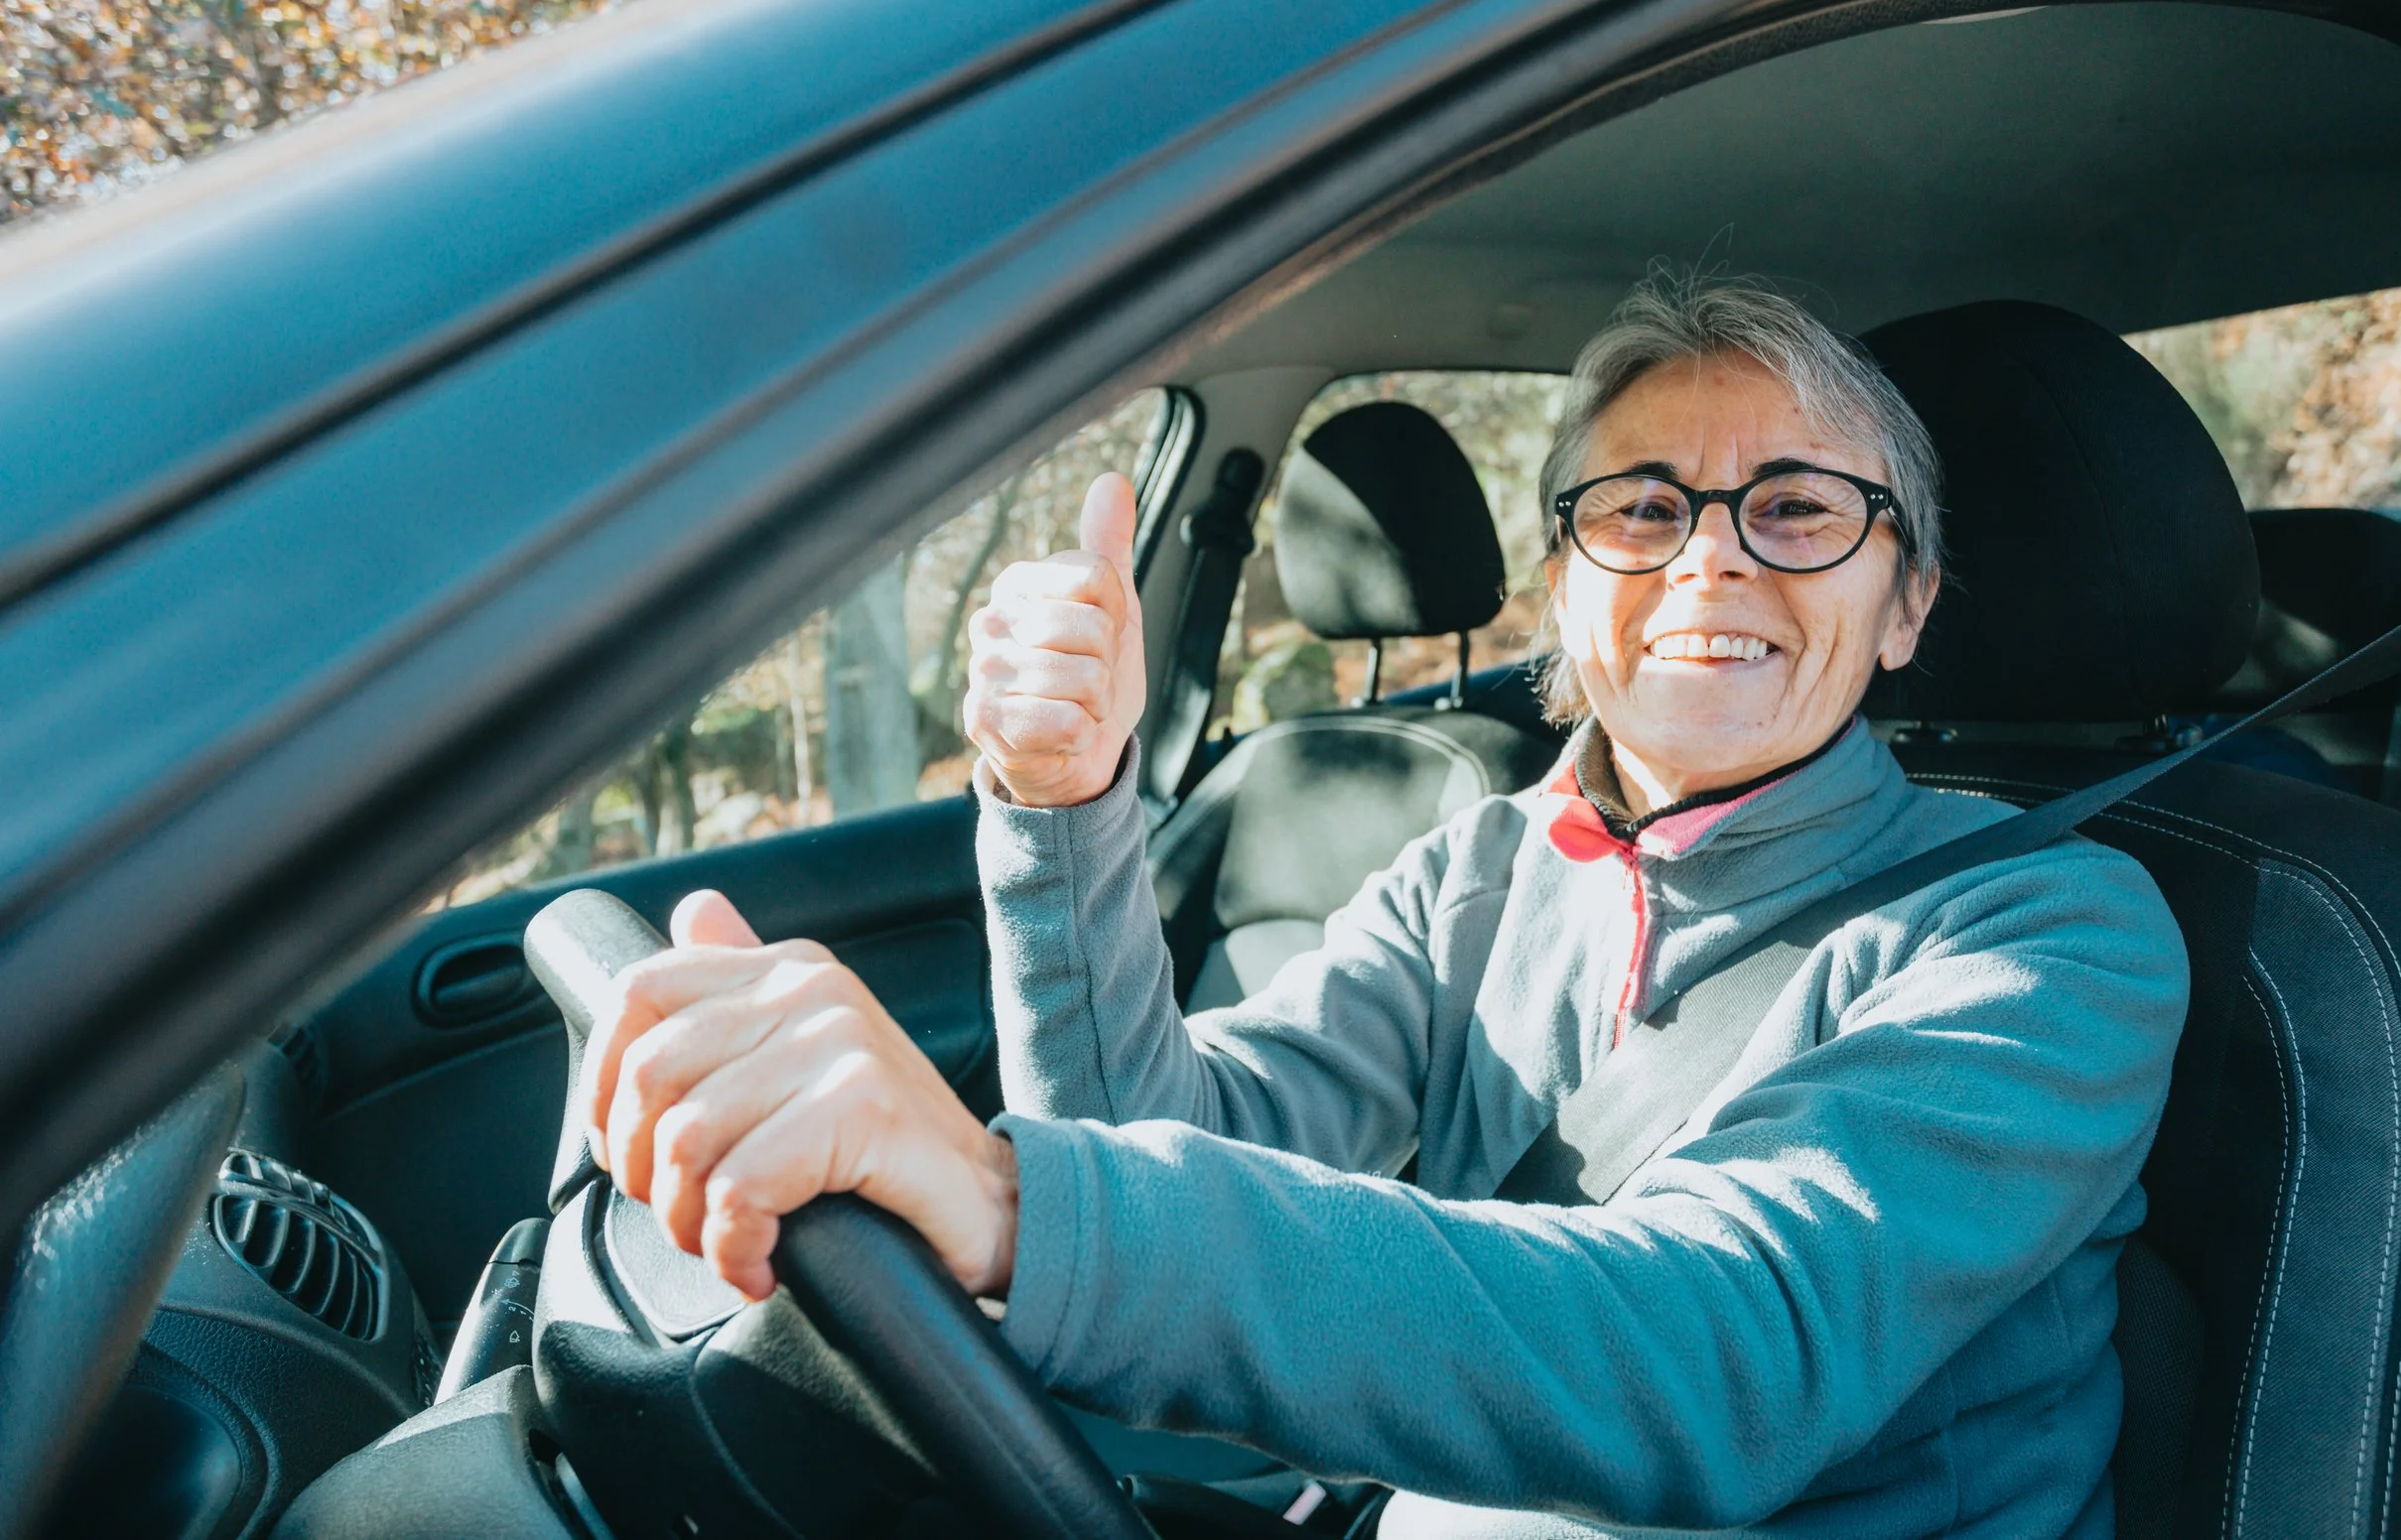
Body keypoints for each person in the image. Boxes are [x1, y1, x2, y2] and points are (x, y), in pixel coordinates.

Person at [581, 275, 2187, 1537]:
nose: (1709, 560)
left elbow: (1722, 1352)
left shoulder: (2048, 933)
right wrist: (1065, 803)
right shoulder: (1482, 867)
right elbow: (1150, 1137)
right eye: (1642, 507)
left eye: (1801, 507)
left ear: (1906, 603)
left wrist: (1010, 1199)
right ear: (1565, 588)